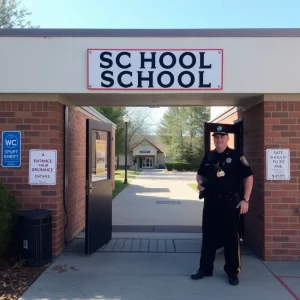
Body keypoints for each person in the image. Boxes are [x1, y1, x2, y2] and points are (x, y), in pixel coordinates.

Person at [191, 125, 253, 286]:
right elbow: (199, 175)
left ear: (227, 139)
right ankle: (205, 269)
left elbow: (249, 177)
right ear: (214, 139)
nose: (219, 139)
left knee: (231, 238)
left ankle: (232, 271)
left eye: (222, 137)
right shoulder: (209, 156)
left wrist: (245, 199)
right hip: (211, 202)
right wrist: (199, 183)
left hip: (230, 203)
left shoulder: (237, 156)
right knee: (208, 236)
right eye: (216, 137)